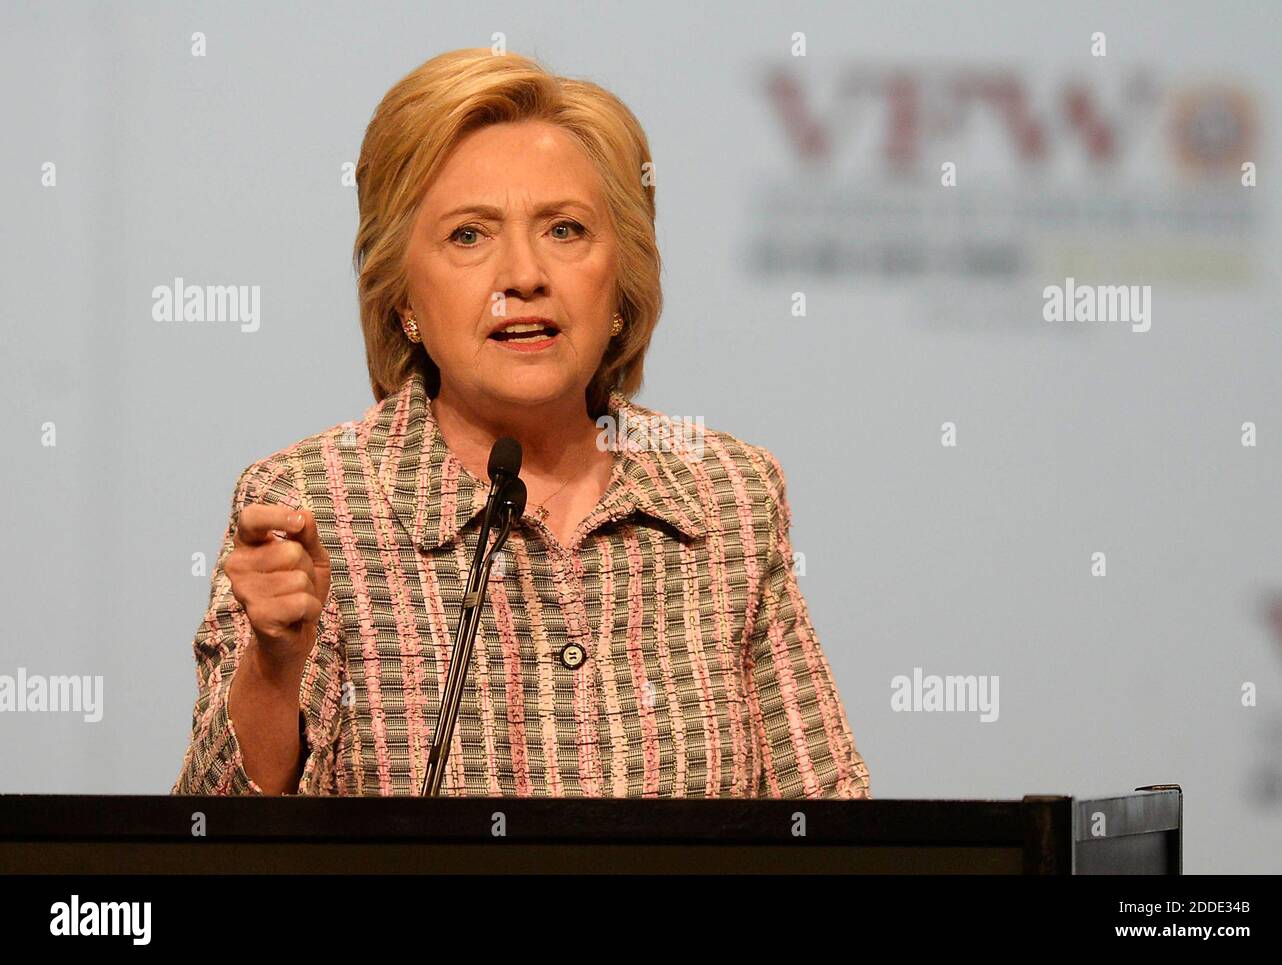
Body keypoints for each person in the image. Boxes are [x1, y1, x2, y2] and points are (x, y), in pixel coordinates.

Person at [173, 48, 871, 798]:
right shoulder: (317, 501)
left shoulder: (727, 494)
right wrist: (275, 665)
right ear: (402, 297)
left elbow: (830, 821)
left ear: (621, 284)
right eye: (469, 235)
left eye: (565, 230)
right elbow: (213, 840)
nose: (524, 275)